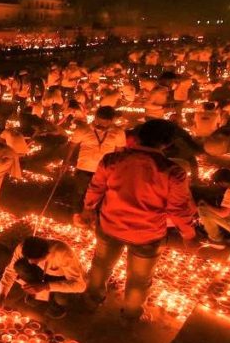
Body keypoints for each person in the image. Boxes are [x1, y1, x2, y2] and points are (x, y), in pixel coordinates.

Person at [79, 119, 198, 321]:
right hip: (147, 234)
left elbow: (96, 188)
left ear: (138, 136)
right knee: (139, 279)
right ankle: (131, 314)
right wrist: (189, 235)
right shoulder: (173, 171)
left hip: (110, 226)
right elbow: (179, 209)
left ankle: (91, 300)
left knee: (100, 265)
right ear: (168, 143)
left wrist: (87, 209)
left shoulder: (112, 159)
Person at [0, 236, 85, 319]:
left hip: (62, 277)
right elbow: (10, 271)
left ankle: (56, 303)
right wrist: (2, 296)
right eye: (28, 258)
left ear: (46, 254)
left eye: (35, 260)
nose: (30, 262)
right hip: (41, 272)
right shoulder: (22, 248)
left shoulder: (63, 253)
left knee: (62, 300)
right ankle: (39, 293)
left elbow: (80, 286)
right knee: (19, 265)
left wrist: (45, 286)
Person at [62, 106, 126, 211]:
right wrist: (65, 162)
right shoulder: (83, 129)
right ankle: (77, 214)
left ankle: (92, 215)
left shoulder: (118, 133)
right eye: (99, 122)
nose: (101, 125)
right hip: (84, 168)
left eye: (105, 123)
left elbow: (119, 153)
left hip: (104, 171)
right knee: (80, 194)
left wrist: (117, 170)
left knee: (100, 197)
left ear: (112, 120)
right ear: (95, 117)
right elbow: (72, 146)